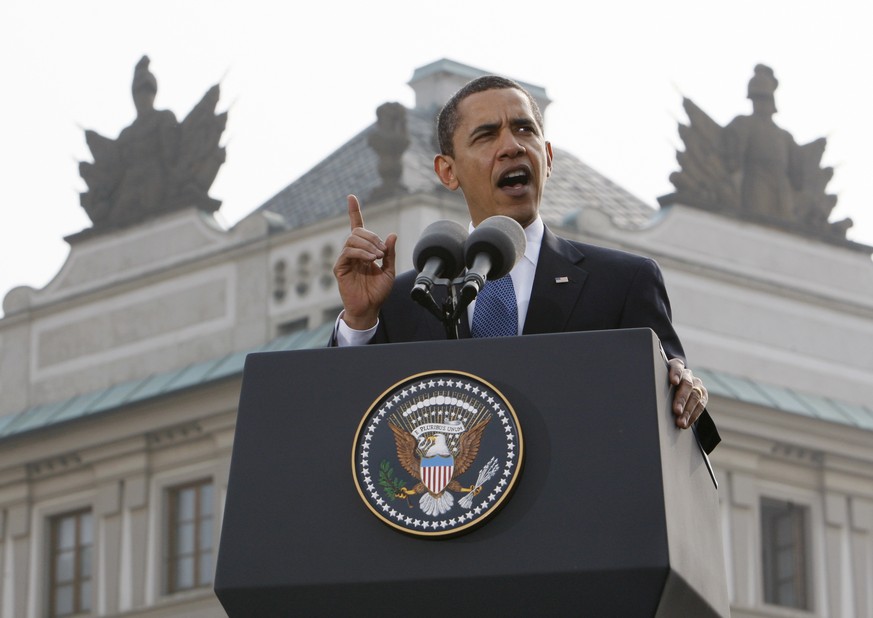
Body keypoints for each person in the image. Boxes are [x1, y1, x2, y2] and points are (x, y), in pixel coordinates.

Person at [333, 75, 719, 453]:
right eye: (486, 135)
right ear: (447, 171)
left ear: (547, 158)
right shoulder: (405, 299)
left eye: (524, 130)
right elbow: (345, 420)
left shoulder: (622, 282)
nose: (511, 147)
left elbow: (680, 414)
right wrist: (359, 321)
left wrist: (687, 391)